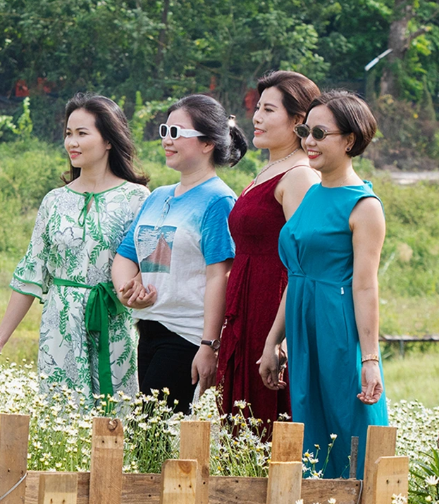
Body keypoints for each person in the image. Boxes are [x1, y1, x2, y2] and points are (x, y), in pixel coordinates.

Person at [0, 93, 149, 409]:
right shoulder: (54, 201)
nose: (72, 142)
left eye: (82, 133)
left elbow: (150, 269)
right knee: (62, 419)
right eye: (68, 133)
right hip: (59, 326)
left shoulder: (137, 198)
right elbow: (31, 273)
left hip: (114, 323)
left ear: (108, 140)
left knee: (117, 418)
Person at [258, 90, 387, 479]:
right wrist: (272, 340)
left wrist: (370, 360)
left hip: (338, 326)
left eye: (319, 133)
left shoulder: (364, 206)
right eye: (304, 131)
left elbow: (365, 287)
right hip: (302, 325)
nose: (308, 141)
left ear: (349, 140)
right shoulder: (311, 194)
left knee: (348, 422)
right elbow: (297, 274)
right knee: (310, 425)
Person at [111, 94, 246, 415]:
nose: (166, 141)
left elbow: (220, 275)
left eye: (177, 133)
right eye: (164, 131)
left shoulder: (218, 200)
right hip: (148, 328)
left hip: (186, 335)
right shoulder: (158, 197)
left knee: (152, 429)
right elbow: (126, 255)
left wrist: (209, 345)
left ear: (207, 144)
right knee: (146, 431)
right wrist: (129, 291)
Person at [216, 71, 320, 435]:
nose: (256, 118)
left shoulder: (299, 176)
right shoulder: (268, 169)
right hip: (244, 305)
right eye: (257, 108)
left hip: (271, 305)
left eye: (269, 110)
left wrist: (283, 337)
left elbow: (304, 263)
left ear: (298, 121)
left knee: (268, 422)